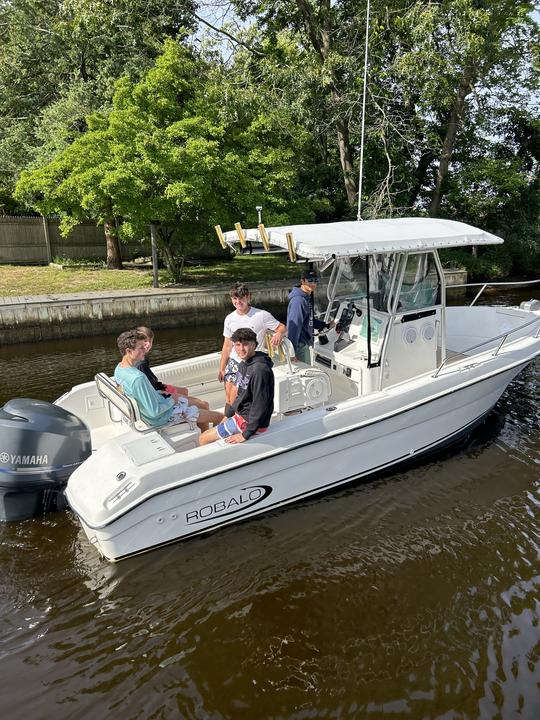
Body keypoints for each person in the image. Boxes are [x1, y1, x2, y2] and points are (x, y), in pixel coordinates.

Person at [114, 330, 222, 432]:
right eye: (141, 348)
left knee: (203, 405)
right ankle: (207, 441)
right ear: (128, 351)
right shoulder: (138, 378)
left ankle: (203, 435)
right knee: (219, 417)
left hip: (153, 408)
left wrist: (162, 394)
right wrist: (172, 400)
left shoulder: (119, 369)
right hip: (162, 417)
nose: (145, 350)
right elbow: (154, 412)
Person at [200, 327, 274, 446]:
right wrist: (228, 415)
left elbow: (261, 404)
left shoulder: (260, 370)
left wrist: (246, 434)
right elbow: (240, 395)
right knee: (215, 424)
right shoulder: (244, 364)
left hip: (248, 422)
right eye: (237, 345)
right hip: (241, 415)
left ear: (254, 345)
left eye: (245, 344)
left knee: (203, 438)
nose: (241, 349)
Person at [219, 282, 285, 409]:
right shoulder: (229, 319)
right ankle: (229, 419)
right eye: (235, 299)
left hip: (251, 362)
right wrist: (222, 368)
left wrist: (279, 334)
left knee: (237, 397)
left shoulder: (262, 315)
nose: (238, 302)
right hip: (234, 361)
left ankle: (237, 422)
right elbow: (227, 345)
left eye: (241, 298)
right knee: (229, 395)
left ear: (248, 297)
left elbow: (282, 327)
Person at [135, 326, 210, 412]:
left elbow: (152, 383)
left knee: (184, 391)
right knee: (203, 404)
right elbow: (151, 388)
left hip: (158, 386)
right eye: (145, 341)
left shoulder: (142, 357)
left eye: (150, 341)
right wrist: (170, 394)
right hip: (158, 393)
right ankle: (187, 410)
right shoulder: (141, 362)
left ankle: (187, 407)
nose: (148, 344)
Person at [287, 270, 331, 364]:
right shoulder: (298, 301)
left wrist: (325, 325)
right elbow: (293, 327)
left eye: (316, 280)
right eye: (310, 280)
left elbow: (309, 320)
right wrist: (292, 353)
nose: (313, 283)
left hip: (304, 344)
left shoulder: (306, 298)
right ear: (302, 281)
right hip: (299, 346)